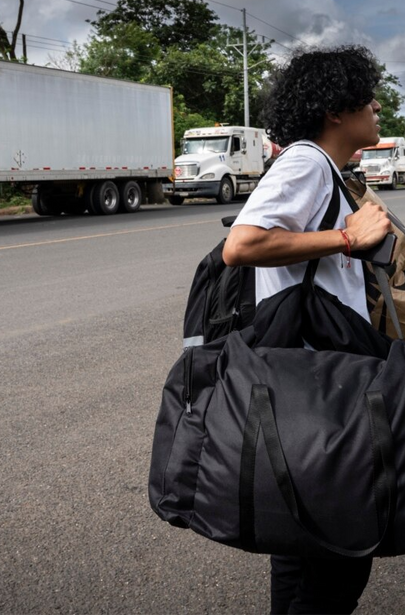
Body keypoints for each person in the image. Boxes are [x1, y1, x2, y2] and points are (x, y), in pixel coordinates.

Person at [222, 45, 392, 615]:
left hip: (306, 381)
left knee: (299, 547)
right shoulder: (304, 163)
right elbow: (241, 245)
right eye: (365, 97)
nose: (376, 104)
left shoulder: (328, 170)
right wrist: (348, 239)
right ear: (334, 111)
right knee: (343, 555)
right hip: (319, 387)